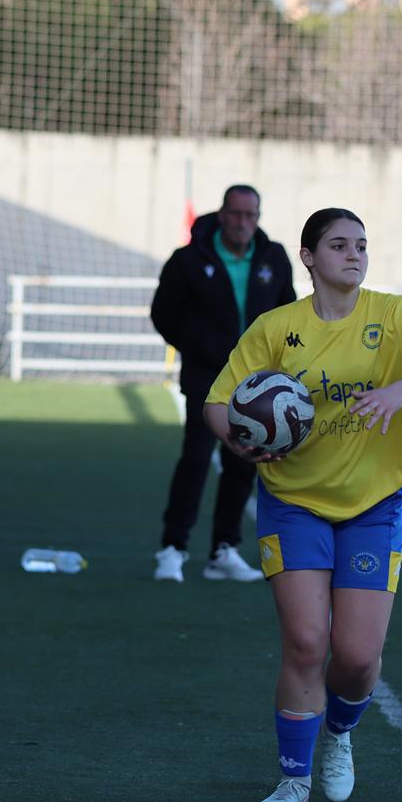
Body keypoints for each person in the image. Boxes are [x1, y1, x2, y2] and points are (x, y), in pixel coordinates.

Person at [203, 208, 402, 802]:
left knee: (356, 656)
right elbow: (219, 402)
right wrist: (239, 442)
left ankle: (340, 732)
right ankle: (293, 780)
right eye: (340, 245)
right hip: (293, 502)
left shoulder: (393, 315)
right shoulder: (277, 328)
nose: (355, 255)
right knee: (304, 641)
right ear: (309, 257)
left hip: (374, 504)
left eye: (362, 245)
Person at [150, 185, 296, 583]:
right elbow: (163, 314)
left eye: (251, 215)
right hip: (206, 377)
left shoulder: (273, 257)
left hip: (255, 383)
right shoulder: (187, 260)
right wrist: (200, 346)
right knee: (196, 459)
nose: (243, 222)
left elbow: (288, 311)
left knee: (243, 462)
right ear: (222, 214)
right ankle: (172, 548)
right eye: (236, 214)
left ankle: (223, 551)